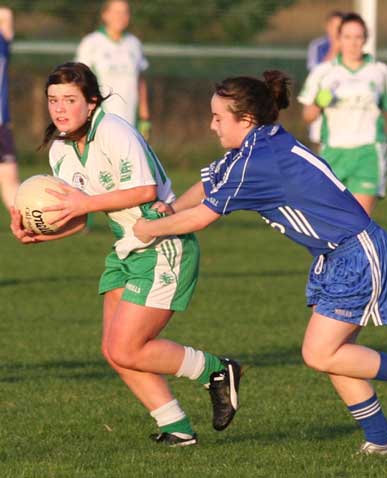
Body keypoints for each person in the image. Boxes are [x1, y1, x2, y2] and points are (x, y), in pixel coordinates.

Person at [131, 70, 387, 455]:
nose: (211, 126)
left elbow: (204, 217)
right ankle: (380, 442)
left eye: (218, 118)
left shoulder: (258, 159)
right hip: (337, 255)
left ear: (245, 120)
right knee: (335, 355)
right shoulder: (257, 147)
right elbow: (210, 186)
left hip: (358, 253)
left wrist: (149, 229)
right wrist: (170, 208)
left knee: (320, 352)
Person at [9, 62, 241, 447]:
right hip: (126, 247)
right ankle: (176, 426)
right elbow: (80, 218)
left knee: (127, 347)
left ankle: (215, 369)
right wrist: (41, 234)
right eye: (53, 100)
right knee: (114, 351)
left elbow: (145, 191)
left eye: (70, 99)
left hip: (163, 242)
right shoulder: (61, 151)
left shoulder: (114, 131)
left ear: (92, 102)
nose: (60, 109)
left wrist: (84, 203)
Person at [298, 13, 387, 216]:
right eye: (347, 37)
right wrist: (318, 103)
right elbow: (307, 116)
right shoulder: (324, 72)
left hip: (368, 153)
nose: (353, 43)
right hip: (333, 153)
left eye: (358, 37)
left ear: (366, 38)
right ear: (338, 39)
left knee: (358, 222)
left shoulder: (379, 72)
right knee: (332, 222)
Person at [76, 0, 151, 137]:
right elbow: (80, 82)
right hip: (101, 120)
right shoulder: (91, 42)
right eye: (116, 12)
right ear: (105, 15)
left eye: (125, 12)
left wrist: (144, 117)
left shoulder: (133, 43)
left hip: (130, 121)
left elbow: (140, 81)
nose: (121, 16)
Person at [305, 10, 344, 147]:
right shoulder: (319, 46)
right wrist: (335, 48)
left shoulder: (350, 46)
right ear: (328, 27)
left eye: (341, 27)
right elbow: (316, 74)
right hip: (321, 100)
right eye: (335, 26)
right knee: (320, 142)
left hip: (343, 101)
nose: (338, 31)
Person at [0, 6, 19, 210]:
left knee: (10, 178)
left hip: (1, 123)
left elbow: (6, 14)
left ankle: (24, 220)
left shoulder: (2, 41)